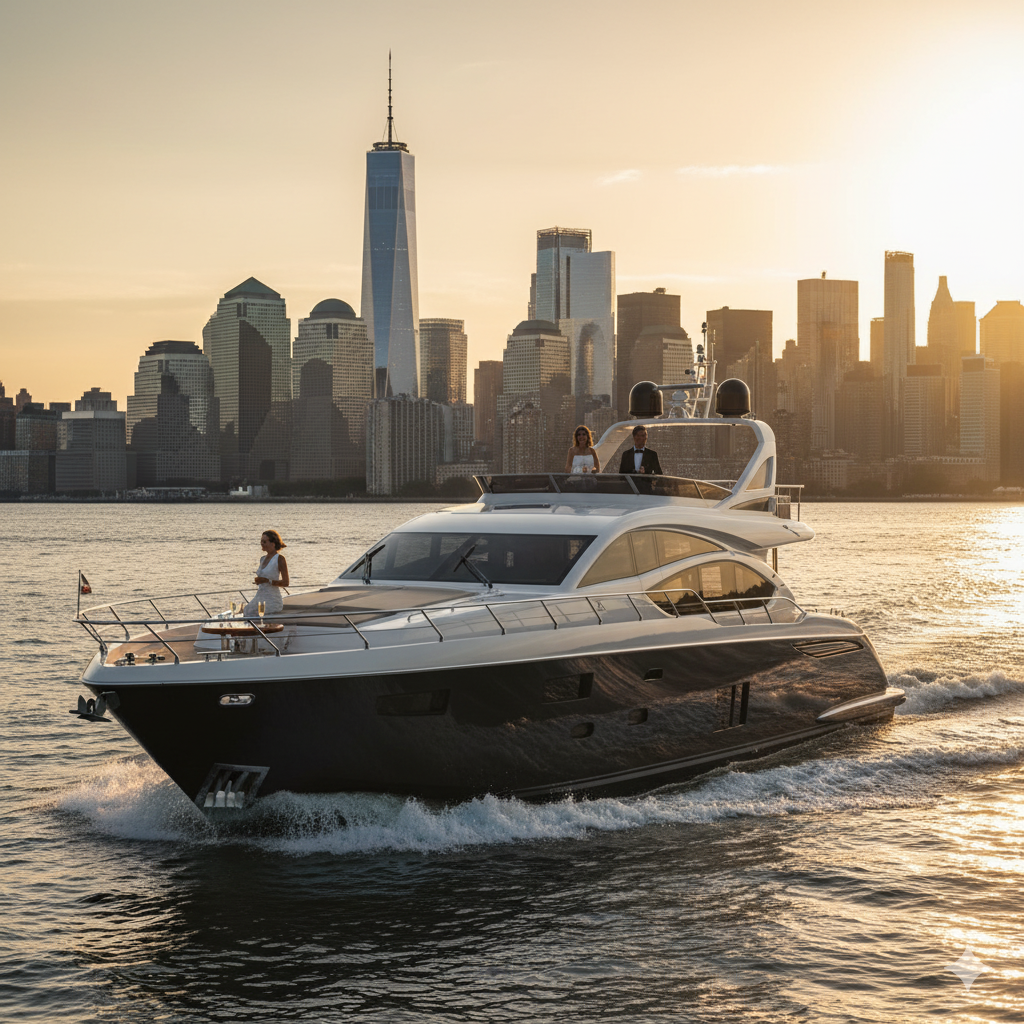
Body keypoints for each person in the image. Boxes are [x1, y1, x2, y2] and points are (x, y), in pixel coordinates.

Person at [244, 530, 290, 617]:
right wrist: (259, 581)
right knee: (247, 610)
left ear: (273, 544)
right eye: (261, 541)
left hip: (272, 600)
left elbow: (286, 583)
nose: (261, 543)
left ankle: (262, 629)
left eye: (264, 541)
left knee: (252, 613)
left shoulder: (280, 559)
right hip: (260, 596)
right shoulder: (262, 559)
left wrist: (267, 581)